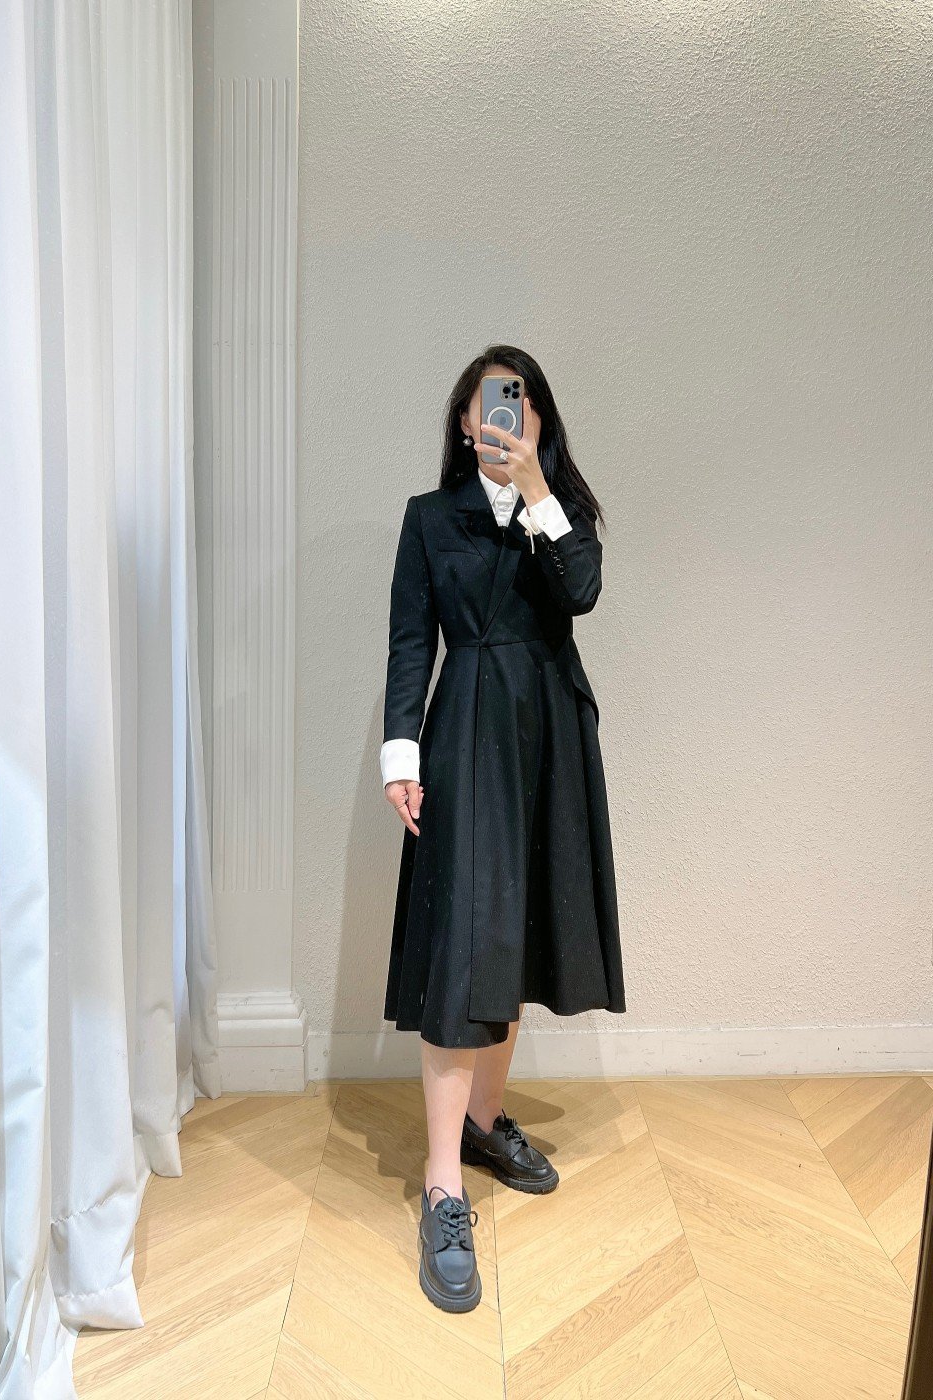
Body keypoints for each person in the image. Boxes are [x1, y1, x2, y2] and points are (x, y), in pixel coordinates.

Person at [381, 344, 626, 1312]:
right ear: (462, 420)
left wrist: (536, 491)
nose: (500, 421)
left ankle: (483, 1123)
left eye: (518, 408)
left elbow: (580, 594)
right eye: (488, 406)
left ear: (537, 421)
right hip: (467, 732)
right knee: (465, 944)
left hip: (550, 735)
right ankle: (442, 1184)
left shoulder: (558, 512)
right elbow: (411, 641)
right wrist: (401, 755)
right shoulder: (427, 517)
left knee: (515, 933)